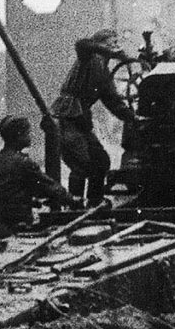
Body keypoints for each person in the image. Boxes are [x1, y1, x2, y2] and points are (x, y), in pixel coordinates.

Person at [51, 29, 137, 206]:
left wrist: (134, 118)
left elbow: (114, 103)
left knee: (101, 161)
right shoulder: (88, 57)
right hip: (69, 118)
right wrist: (110, 52)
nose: (115, 46)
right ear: (100, 43)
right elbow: (82, 44)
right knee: (81, 165)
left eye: (116, 42)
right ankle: (75, 205)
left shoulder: (104, 72)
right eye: (111, 42)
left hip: (81, 121)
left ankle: (94, 202)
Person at [0, 115, 76, 240]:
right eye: (27, 133)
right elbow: (50, 187)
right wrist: (73, 201)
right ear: (18, 136)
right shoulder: (24, 163)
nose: (30, 136)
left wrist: (22, 201)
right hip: (18, 222)